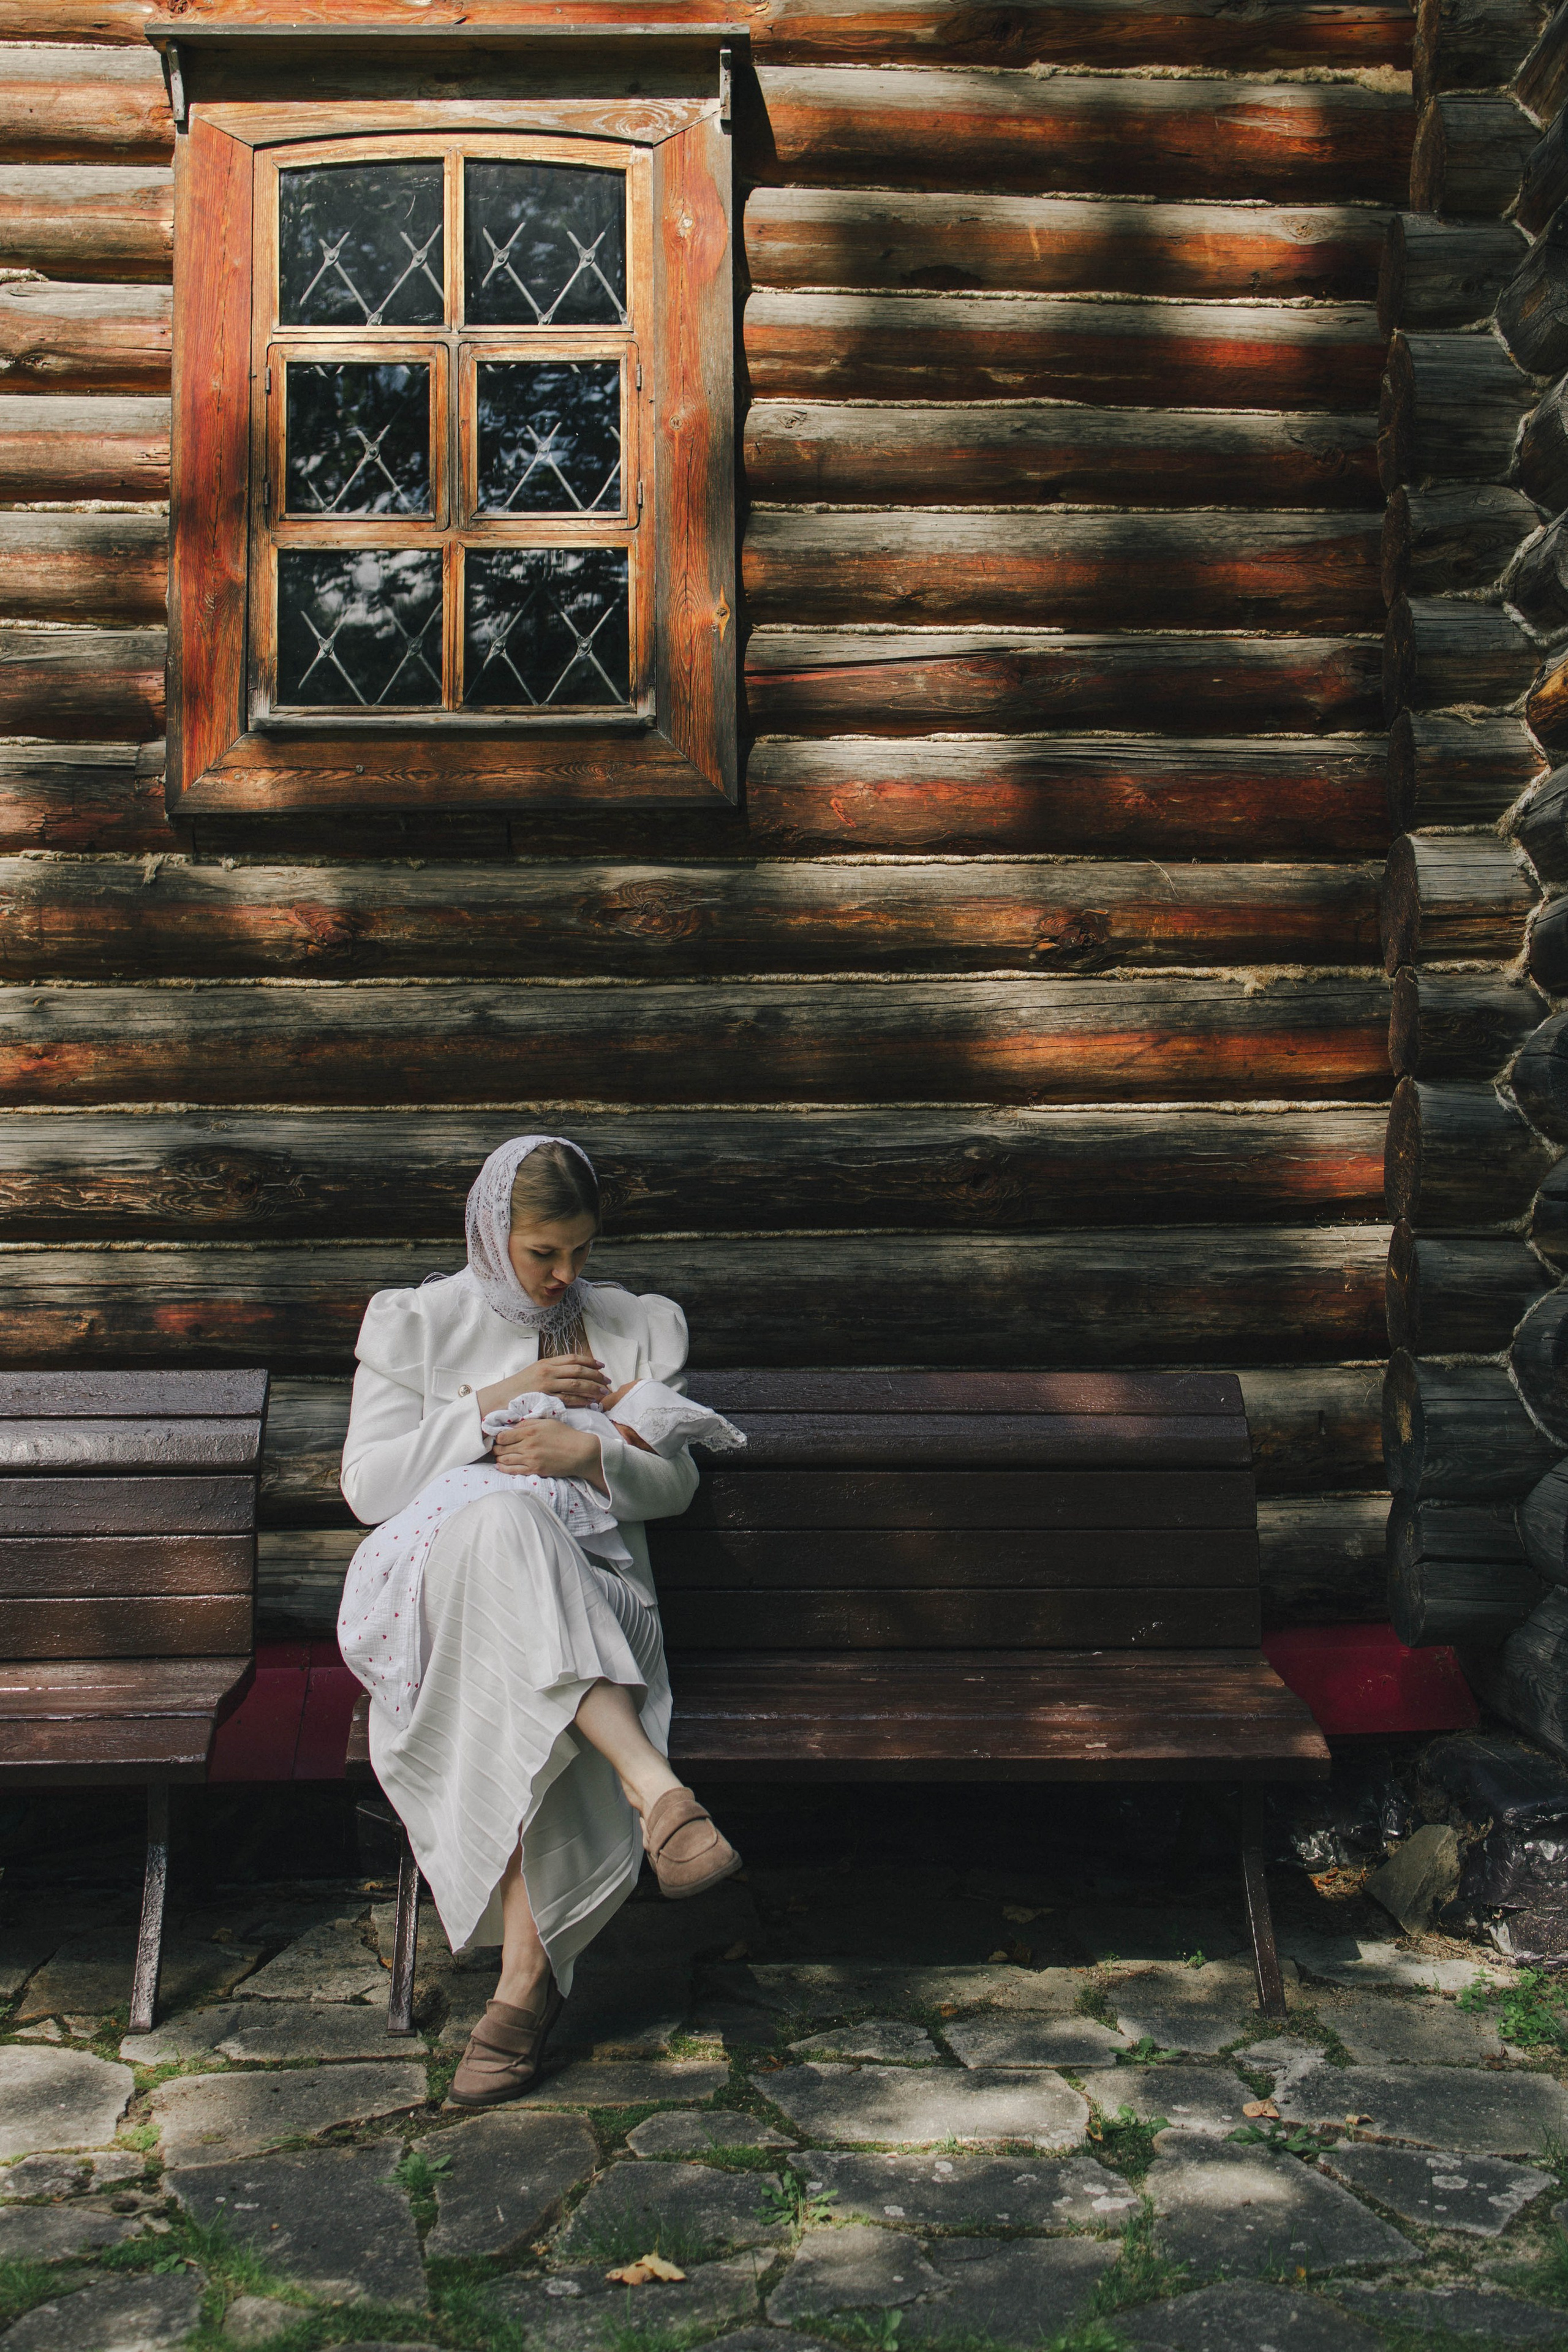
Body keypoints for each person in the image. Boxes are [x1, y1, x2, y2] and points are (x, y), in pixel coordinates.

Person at [339, 1133, 741, 2108]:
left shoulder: (637, 1326)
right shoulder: (417, 1323)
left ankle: (522, 1988)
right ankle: (653, 1795)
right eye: (542, 1255)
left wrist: (591, 1459)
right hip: (432, 1611)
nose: (565, 1278)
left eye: (580, 1253)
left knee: (524, 1655)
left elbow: (675, 1487)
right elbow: (369, 1488)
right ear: (489, 1234)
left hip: (599, 1603)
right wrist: (499, 1401)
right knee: (501, 1530)